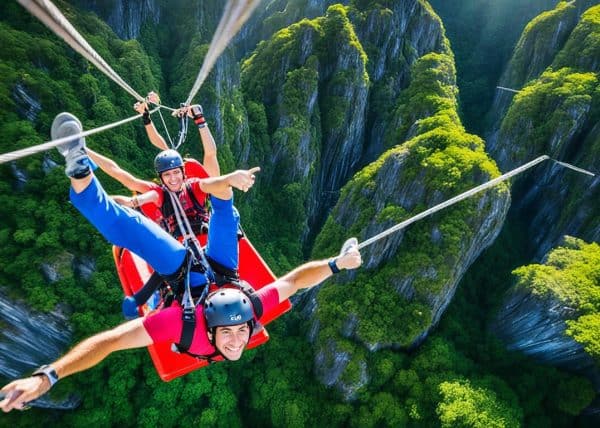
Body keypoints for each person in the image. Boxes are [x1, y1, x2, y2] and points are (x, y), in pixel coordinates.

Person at [0, 113, 362, 412]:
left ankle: (79, 170)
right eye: (237, 332)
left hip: (181, 272)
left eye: (233, 333)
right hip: (222, 268)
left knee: (210, 210)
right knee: (136, 225)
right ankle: (80, 167)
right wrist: (336, 264)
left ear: (211, 328)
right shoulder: (251, 308)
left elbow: (110, 341)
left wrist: (49, 376)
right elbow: (296, 281)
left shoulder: (179, 324)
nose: (237, 340)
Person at [87, 91, 219, 238]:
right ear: (161, 178)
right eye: (167, 175)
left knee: (217, 190)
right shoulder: (159, 192)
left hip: (202, 238)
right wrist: (85, 151)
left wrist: (200, 121)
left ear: (183, 173)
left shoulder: (195, 187)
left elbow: (211, 155)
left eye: (176, 173)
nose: (173, 178)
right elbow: (122, 176)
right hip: (181, 245)